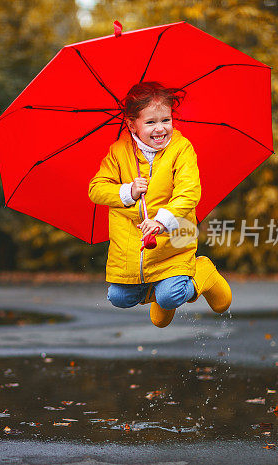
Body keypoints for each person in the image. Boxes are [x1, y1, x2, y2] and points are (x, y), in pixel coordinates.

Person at [88, 81, 231, 328]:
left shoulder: (181, 148)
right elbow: (96, 189)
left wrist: (161, 221)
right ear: (131, 124)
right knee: (118, 297)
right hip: (133, 249)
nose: (160, 129)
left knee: (170, 295)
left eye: (166, 120)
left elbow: (189, 192)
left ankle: (201, 272)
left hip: (174, 239)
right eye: (151, 122)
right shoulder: (118, 152)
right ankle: (162, 292)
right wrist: (128, 191)